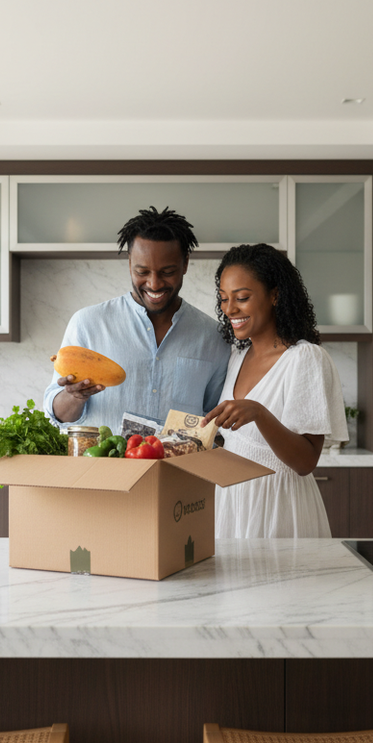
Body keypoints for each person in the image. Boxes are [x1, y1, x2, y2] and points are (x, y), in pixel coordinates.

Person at [200, 243, 349, 538]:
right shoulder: (237, 356)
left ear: (275, 295)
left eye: (242, 298)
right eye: (224, 299)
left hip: (278, 509)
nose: (230, 309)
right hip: (232, 504)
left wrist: (258, 413)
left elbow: (305, 462)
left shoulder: (304, 359)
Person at [44, 206, 231, 432]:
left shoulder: (213, 336)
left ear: (185, 264)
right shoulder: (88, 324)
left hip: (177, 467)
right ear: (129, 262)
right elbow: (58, 416)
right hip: (105, 467)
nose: (154, 284)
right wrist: (73, 396)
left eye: (167, 272)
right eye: (142, 271)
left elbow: (215, 421)